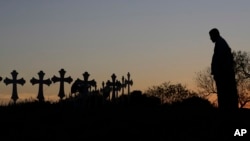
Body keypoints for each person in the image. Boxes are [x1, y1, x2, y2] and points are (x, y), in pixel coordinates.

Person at [209, 28, 238, 111]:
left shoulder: (220, 44)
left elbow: (222, 61)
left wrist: (219, 73)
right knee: (225, 97)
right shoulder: (220, 43)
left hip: (224, 76)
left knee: (224, 97)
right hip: (223, 75)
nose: (210, 38)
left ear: (215, 35)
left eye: (211, 36)